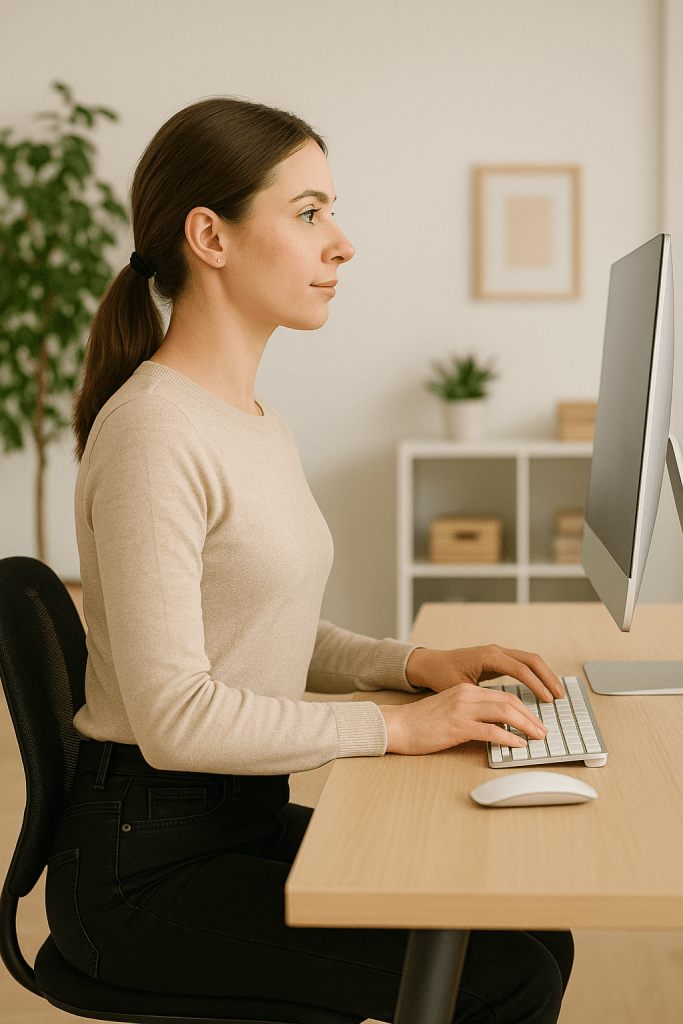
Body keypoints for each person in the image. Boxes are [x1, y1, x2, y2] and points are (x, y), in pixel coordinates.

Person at [47, 96, 573, 1024]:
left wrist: (412, 667)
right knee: (501, 976)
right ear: (209, 235)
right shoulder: (153, 434)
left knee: (533, 930)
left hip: (229, 823)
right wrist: (395, 726)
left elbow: (264, 621)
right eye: (308, 213)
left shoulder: (251, 421)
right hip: (143, 873)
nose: (341, 243)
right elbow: (176, 719)